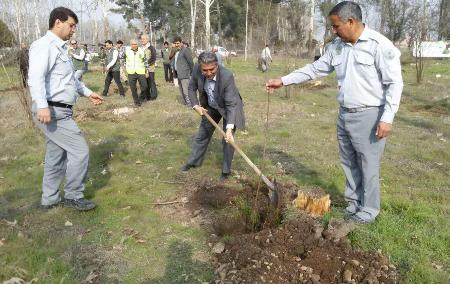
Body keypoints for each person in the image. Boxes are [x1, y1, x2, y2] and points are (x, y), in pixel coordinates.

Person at [265, 1, 403, 224]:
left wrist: (387, 118)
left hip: (370, 115)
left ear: (351, 22)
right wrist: (283, 81)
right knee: (349, 162)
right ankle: (353, 205)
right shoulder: (337, 46)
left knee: (368, 165)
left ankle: (368, 211)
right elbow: (314, 69)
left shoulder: (379, 46)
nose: (333, 30)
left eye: (336, 26)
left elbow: (394, 83)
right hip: (345, 114)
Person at [28, 7, 104, 211]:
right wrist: (42, 106)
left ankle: (50, 199)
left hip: (60, 110)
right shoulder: (44, 46)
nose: (73, 30)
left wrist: (88, 93)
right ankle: (73, 195)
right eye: (71, 25)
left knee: (56, 156)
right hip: (52, 112)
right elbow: (35, 78)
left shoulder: (61, 49)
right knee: (80, 151)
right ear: (58, 22)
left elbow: (69, 81)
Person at [180, 52, 245, 180]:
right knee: (202, 134)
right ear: (200, 67)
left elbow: (231, 104)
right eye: (205, 70)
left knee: (227, 140)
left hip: (229, 107)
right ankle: (193, 161)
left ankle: (226, 171)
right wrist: (195, 105)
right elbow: (191, 88)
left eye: (212, 69)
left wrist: (229, 129)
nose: (208, 73)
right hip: (211, 105)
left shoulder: (227, 76)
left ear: (217, 65)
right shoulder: (197, 70)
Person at [125, 39, 147, 106]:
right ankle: (136, 102)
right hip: (131, 72)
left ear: (137, 44)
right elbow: (123, 59)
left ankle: (141, 98)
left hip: (141, 71)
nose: (134, 45)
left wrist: (147, 71)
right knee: (133, 88)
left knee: (145, 86)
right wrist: (126, 67)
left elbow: (145, 61)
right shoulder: (127, 51)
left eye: (135, 44)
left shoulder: (142, 51)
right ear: (130, 45)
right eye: (132, 44)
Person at [173, 36, 194, 106]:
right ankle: (186, 103)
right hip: (178, 74)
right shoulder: (177, 51)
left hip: (185, 74)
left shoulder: (185, 50)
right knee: (181, 90)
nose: (176, 44)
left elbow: (190, 62)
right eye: (175, 43)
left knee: (186, 91)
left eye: (178, 43)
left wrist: (191, 72)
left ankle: (191, 104)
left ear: (181, 42)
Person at [140, 34, 157, 100]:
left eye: (143, 39)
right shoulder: (141, 48)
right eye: (141, 39)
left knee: (151, 82)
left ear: (147, 39)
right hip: (142, 70)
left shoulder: (151, 48)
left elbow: (153, 58)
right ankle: (147, 96)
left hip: (150, 69)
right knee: (145, 83)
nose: (142, 40)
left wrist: (145, 64)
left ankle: (153, 96)